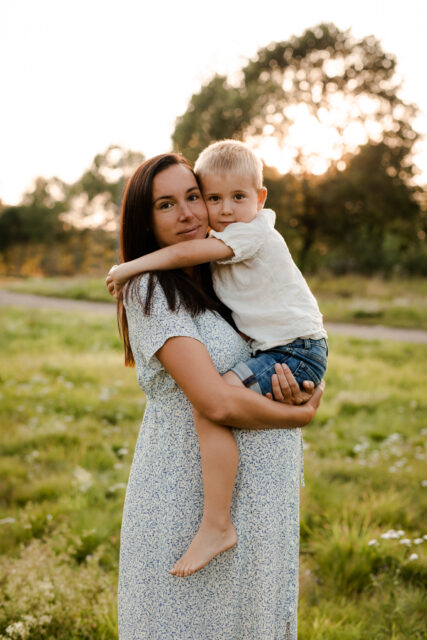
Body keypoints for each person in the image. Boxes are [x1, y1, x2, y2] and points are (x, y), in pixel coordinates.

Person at [112, 151, 324, 640]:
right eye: (167, 204)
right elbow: (218, 403)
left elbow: (294, 338)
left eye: (193, 196)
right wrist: (298, 416)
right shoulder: (150, 288)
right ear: (146, 221)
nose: (189, 212)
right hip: (185, 497)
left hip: (258, 507)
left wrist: (303, 389)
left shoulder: (227, 274)